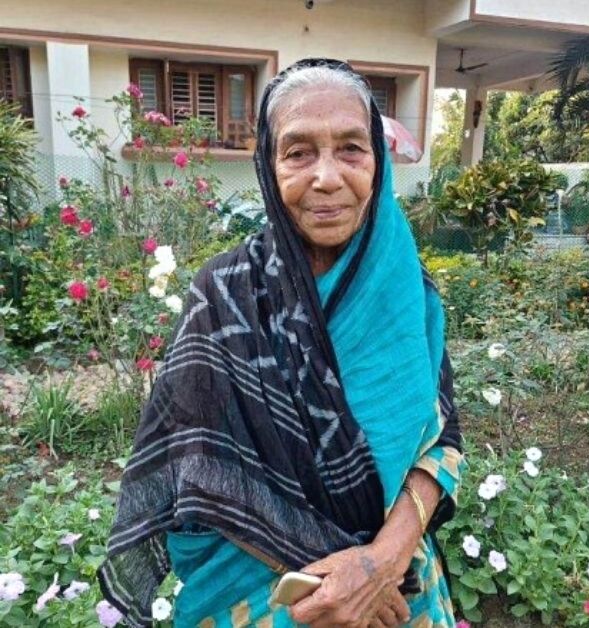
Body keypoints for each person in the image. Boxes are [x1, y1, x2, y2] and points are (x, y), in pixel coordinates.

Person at [100, 59, 464, 627]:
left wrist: (381, 562)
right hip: (261, 600)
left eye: (351, 148)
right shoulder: (224, 295)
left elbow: (443, 443)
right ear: (269, 167)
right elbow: (196, 466)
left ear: (378, 162)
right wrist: (327, 581)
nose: (326, 177)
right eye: (298, 152)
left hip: (395, 597)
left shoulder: (408, 293)